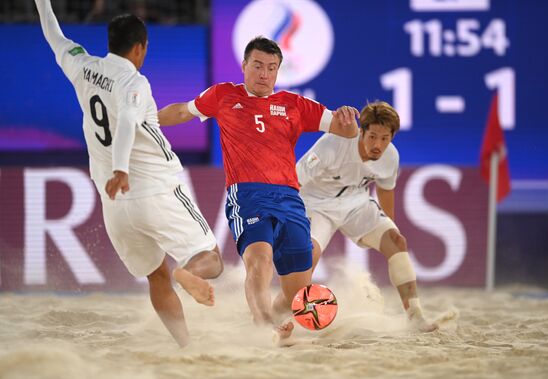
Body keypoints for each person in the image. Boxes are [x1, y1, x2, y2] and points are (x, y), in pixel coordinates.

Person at [35, 0, 223, 347]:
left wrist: (43, 4)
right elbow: (125, 121)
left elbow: (55, 37)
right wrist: (122, 168)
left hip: (115, 205)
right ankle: (188, 273)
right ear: (140, 48)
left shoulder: (83, 65)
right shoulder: (134, 82)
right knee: (210, 258)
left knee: (156, 276)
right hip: (152, 189)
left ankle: (186, 346)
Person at [158, 36, 358, 339]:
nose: (264, 73)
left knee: (297, 294)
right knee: (260, 260)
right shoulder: (223, 95)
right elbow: (182, 112)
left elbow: (347, 129)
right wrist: (145, 120)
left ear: (278, 71)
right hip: (248, 195)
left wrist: (347, 118)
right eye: (258, 66)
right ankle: (263, 322)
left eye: (271, 68)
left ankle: (276, 320)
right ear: (244, 66)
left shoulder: (294, 105)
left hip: (290, 199)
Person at [296, 101, 437, 332]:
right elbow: (294, 180)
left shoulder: (391, 156)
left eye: (384, 138)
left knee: (397, 241)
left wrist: (388, 227)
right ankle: (286, 313)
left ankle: (415, 315)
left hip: (356, 203)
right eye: (372, 136)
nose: (377, 145)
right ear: (361, 131)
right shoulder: (333, 144)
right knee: (306, 257)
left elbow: (385, 189)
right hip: (316, 204)